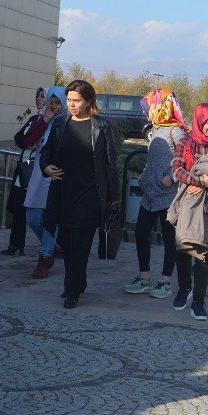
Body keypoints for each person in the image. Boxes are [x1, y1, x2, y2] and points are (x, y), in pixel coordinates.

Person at [41, 80, 119, 309]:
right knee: (65, 242)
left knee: (80, 245)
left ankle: (72, 290)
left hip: (90, 195)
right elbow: (46, 152)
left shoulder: (102, 126)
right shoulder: (59, 124)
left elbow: (111, 163)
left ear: (88, 102)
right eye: (69, 100)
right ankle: (78, 281)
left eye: (76, 100)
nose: (71, 105)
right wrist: (45, 168)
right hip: (63, 193)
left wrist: (113, 197)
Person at [123, 91, 188, 298]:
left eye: (152, 105)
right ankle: (144, 278)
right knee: (142, 234)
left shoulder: (176, 132)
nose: (148, 108)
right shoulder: (155, 128)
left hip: (169, 196)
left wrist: (171, 176)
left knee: (169, 239)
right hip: (150, 194)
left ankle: (166, 282)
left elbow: (187, 158)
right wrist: (144, 177)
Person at [171, 103, 208, 320]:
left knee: (203, 253)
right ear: (199, 121)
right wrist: (198, 180)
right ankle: (184, 288)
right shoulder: (185, 142)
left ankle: (199, 300)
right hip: (186, 203)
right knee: (184, 249)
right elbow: (177, 169)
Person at [24, 86, 66, 278]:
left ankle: (45, 257)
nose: (55, 106)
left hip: (57, 175)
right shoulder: (42, 121)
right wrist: (45, 119)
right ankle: (53, 245)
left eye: (58, 103)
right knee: (32, 217)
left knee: (51, 218)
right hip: (39, 174)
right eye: (52, 102)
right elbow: (28, 140)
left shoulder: (68, 122)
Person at [2, 87, 46, 256]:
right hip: (24, 168)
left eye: (43, 96)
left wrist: (28, 141)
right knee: (19, 207)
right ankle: (15, 244)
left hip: (40, 169)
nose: (39, 99)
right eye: (38, 96)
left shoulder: (52, 121)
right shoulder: (34, 119)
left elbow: (31, 139)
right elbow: (19, 138)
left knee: (42, 212)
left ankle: (51, 246)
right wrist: (27, 143)